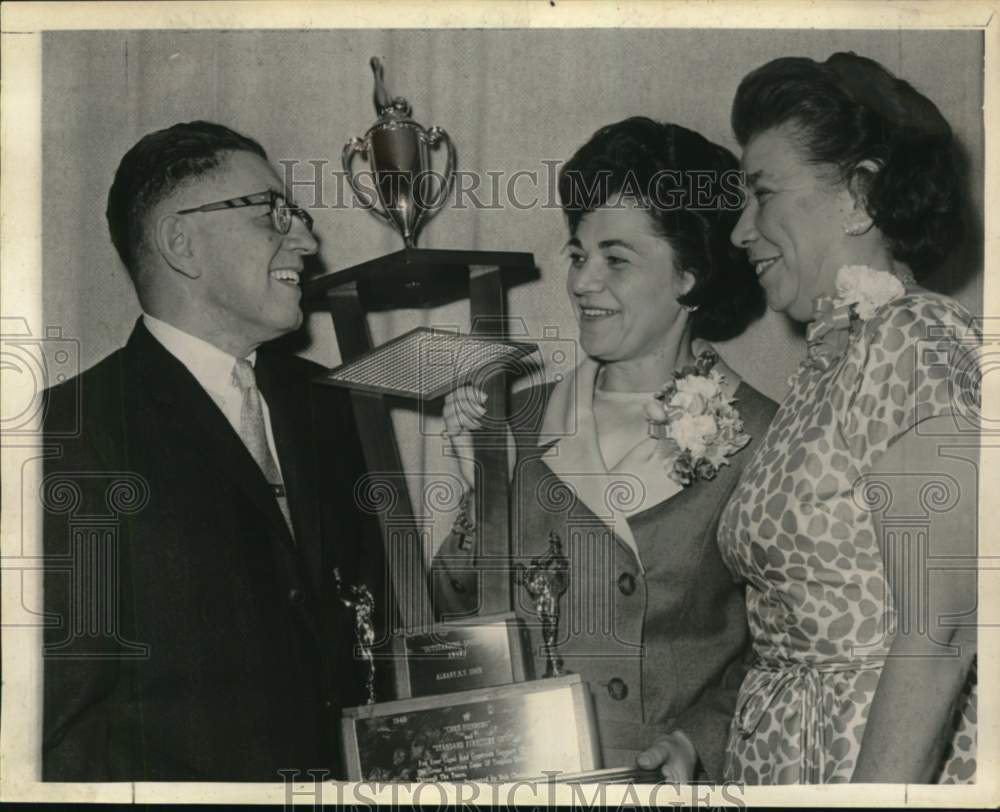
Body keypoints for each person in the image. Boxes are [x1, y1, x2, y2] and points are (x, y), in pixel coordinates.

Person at [433, 117, 778, 780]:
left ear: (689, 275)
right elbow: (454, 625)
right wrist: (480, 498)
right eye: (578, 254)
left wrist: (701, 738)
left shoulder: (761, 434)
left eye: (615, 259)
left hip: (654, 780)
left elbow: (783, 645)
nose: (582, 282)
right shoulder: (517, 420)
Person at [41, 121, 375, 780]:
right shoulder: (70, 434)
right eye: (271, 215)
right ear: (180, 243)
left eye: (297, 214)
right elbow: (57, 733)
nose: (305, 240)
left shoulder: (332, 403)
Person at [713, 52, 979, 784]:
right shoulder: (839, 355)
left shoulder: (914, 340)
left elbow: (943, 628)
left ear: (860, 196)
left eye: (763, 193)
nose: (742, 230)